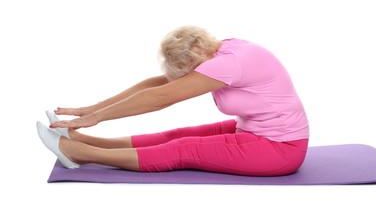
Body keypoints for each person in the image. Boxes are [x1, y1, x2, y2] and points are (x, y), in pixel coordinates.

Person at [36, 25, 309, 176]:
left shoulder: (228, 63)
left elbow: (159, 98)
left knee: (183, 148)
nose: (189, 76)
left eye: (188, 71)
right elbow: (157, 84)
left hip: (280, 149)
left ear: (197, 52)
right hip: (258, 132)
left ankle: (78, 154)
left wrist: (98, 117)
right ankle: (83, 141)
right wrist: (93, 109)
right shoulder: (222, 49)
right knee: (174, 135)